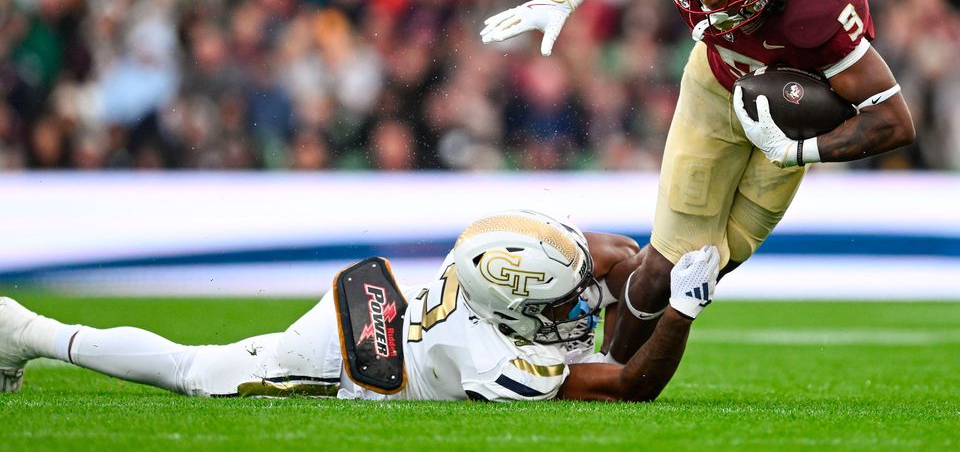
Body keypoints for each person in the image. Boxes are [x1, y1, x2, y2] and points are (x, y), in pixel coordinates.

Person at [480, 0, 915, 363]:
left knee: (710, 265)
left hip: (790, 125)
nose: (706, 0)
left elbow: (894, 120)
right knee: (672, 266)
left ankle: (608, 295)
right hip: (713, 90)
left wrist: (796, 152)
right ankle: (608, 370)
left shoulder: (821, 2)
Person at [0, 209, 718, 402]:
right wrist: (679, 309)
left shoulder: (505, 254)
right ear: (516, 308)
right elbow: (628, 385)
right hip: (355, 357)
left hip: (395, 309)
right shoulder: (502, 362)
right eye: (560, 302)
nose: (576, 307)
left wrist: (656, 268)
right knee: (195, 371)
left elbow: (616, 258)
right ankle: (28, 330)